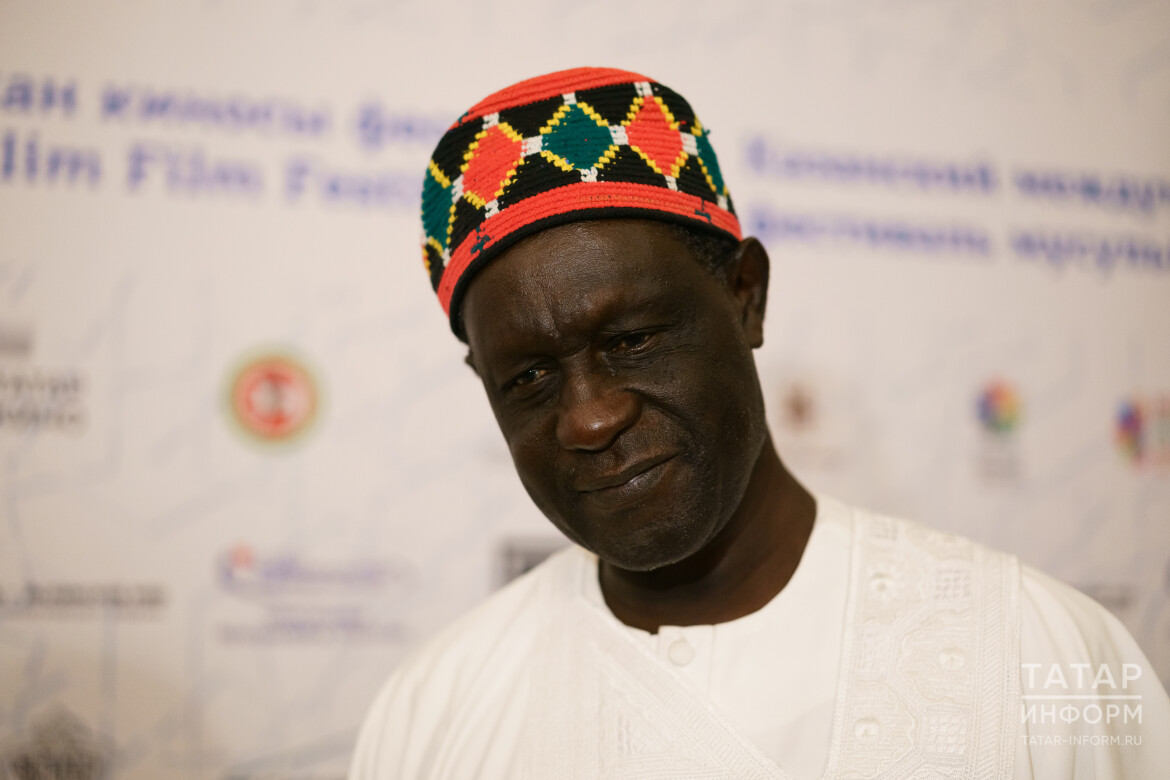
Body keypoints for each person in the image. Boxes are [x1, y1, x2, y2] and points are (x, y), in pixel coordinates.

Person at [350, 67, 1169, 779]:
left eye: (632, 341)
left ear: (747, 296)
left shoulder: (1036, 651)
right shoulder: (433, 713)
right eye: (528, 377)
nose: (591, 419)